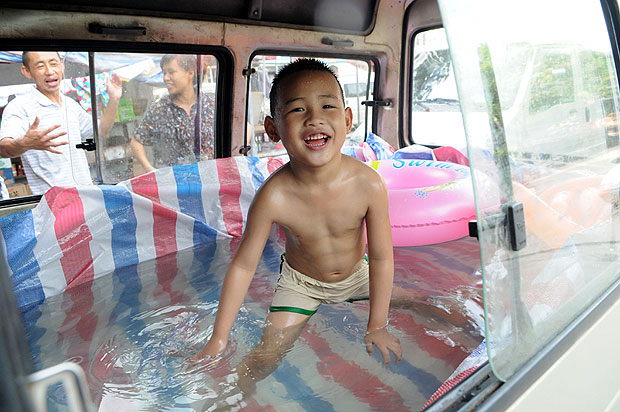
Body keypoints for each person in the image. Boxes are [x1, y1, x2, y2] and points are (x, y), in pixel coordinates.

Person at [194, 59, 401, 408]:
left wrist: (376, 324)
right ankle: (227, 402)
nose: (314, 118)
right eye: (298, 109)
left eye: (327, 106)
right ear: (273, 129)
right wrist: (218, 338)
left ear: (348, 120)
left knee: (421, 304)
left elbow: (381, 257)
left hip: (357, 275)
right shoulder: (274, 196)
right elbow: (244, 267)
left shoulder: (368, 184)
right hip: (300, 285)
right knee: (264, 356)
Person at [0, 51, 122, 195]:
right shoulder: (20, 106)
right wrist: (24, 143)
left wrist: (114, 99)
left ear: (62, 66)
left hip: (86, 195)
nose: (49, 71)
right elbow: (4, 148)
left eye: (53, 63)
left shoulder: (70, 105)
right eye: (40, 66)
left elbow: (101, 131)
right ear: (27, 71)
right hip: (53, 203)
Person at [130, 54, 215, 173]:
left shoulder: (211, 105)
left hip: (209, 179)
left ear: (190, 73)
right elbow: (136, 142)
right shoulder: (160, 109)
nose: (165, 78)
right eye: (164, 73)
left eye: (171, 72)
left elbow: (244, 128)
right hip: (174, 184)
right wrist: (151, 170)